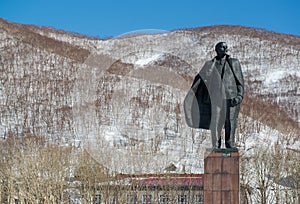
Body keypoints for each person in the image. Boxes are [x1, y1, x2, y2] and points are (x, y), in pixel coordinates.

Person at [184, 42, 244, 149]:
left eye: (226, 47)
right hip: (215, 97)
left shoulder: (234, 63)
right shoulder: (209, 64)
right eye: (222, 47)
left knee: (230, 121)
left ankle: (230, 144)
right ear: (216, 49)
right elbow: (199, 79)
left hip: (231, 98)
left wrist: (240, 95)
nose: (224, 48)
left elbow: (240, 81)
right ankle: (216, 145)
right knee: (215, 121)